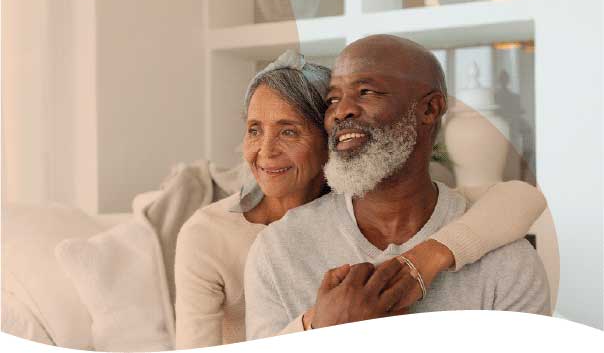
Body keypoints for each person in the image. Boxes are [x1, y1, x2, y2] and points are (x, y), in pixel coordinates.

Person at [175, 49, 547, 349]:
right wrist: (320, 327)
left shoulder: (500, 252)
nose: (266, 150)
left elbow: (520, 199)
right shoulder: (267, 248)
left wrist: (426, 259)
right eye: (254, 130)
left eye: (289, 131)